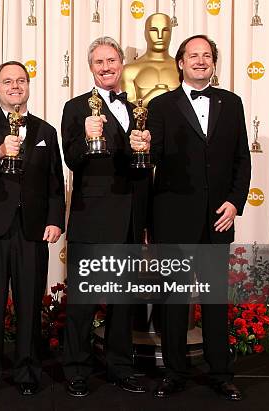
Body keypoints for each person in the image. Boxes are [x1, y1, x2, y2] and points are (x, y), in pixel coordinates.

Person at [147, 34, 251, 401]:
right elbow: (150, 162)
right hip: (173, 218)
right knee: (174, 302)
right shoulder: (160, 106)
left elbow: (242, 159)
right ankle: (174, 372)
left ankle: (221, 373)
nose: (200, 60)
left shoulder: (232, 103)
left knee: (214, 302)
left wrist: (235, 202)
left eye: (207, 55)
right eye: (194, 55)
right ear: (180, 62)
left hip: (217, 219)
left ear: (214, 62)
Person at [0, 61, 65, 396]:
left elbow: (54, 181)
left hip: (32, 230)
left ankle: (27, 371)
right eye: (7, 81)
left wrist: (55, 219)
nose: (15, 86)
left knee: (29, 305)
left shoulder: (46, 131)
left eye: (21, 80)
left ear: (28, 86)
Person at [61, 36, 151, 397]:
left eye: (112, 60)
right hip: (91, 218)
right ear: (90, 67)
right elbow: (71, 158)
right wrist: (85, 137)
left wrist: (145, 151)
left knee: (122, 301)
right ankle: (77, 368)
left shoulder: (136, 108)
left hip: (128, 219)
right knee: (83, 300)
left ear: (121, 64)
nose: (107, 67)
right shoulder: (75, 107)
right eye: (99, 62)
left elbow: (141, 170)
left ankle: (119, 366)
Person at [121, 13, 179, 106]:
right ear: (145, 33)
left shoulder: (183, 69)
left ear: (171, 33)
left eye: (165, 30)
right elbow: (127, 112)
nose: (160, 36)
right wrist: (152, 97)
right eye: (154, 30)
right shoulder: (129, 70)